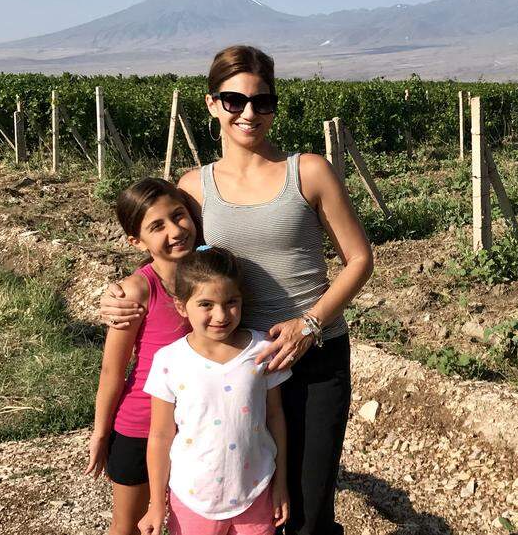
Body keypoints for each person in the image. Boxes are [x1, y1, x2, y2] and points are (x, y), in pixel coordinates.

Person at [102, 45, 374, 534]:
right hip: (236, 367)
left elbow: (359, 260)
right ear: (212, 105)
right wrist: (122, 291)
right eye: (234, 101)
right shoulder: (196, 187)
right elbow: (174, 259)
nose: (249, 113)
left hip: (315, 360)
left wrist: (310, 325)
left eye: (262, 102)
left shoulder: (307, 170)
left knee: (309, 511)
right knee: (237, 498)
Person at [138, 245, 291, 535]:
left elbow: (275, 417)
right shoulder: (169, 361)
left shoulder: (263, 350)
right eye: (206, 304)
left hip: (256, 491)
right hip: (193, 498)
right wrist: (156, 503)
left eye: (231, 302)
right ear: (182, 306)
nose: (221, 315)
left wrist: (281, 482)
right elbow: (159, 435)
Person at [86, 178, 196, 535]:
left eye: (179, 216)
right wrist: (101, 434)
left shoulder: (212, 275)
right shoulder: (135, 291)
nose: (176, 230)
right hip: (140, 428)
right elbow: (112, 371)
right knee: (130, 527)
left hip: (196, 428)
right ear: (136, 241)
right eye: (157, 226)